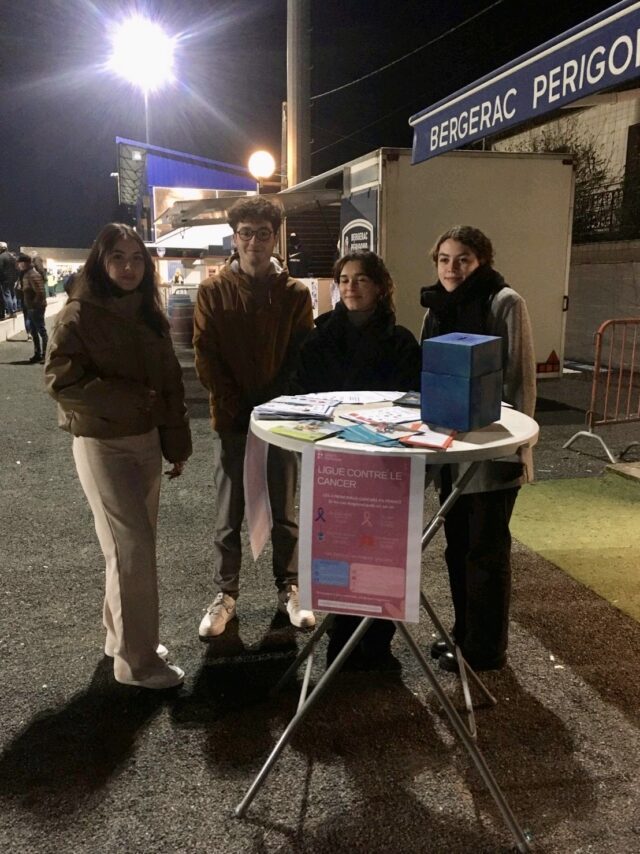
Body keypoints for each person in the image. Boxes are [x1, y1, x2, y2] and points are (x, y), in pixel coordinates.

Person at [44, 223, 192, 690]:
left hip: (146, 442)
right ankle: (137, 662)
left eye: (135, 258)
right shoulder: (79, 314)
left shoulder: (149, 312)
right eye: (117, 258)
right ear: (100, 262)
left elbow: (169, 380)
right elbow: (60, 381)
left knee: (126, 550)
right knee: (133, 549)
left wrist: (176, 443)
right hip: (101, 444)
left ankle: (121, 640)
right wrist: (126, 400)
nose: (128, 267)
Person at [291, 250, 421, 668]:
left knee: (383, 553)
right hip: (335, 465)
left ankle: (377, 642)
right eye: (344, 279)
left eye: (360, 279)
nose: (350, 286)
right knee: (340, 551)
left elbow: (412, 401)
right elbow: (303, 395)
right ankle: (341, 641)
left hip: (385, 465)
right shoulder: (320, 335)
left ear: (380, 287)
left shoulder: (400, 340)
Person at [193, 196, 315, 639]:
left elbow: (301, 354)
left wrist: (273, 407)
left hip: (281, 421)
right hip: (230, 421)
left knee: (284, 510)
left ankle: (290, 588)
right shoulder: (213, 291)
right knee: (229, 516)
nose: (254, 242)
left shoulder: (295, 294)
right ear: (234, 236)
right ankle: (225, 595)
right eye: (246, 233)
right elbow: (205, 355)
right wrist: (237, 408)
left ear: (275, 237)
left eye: (264, 233)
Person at [420, 226, 536, 672]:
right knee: (457, 547)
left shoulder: (504, 301)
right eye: (445, 259)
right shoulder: (436, 307)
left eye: (463, 259)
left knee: (485, 552)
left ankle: (486, 650)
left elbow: (521, 379)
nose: (452, 268)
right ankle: (463, 635)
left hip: (491, 454)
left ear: (482, 261)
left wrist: (514, 449)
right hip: (451, 451)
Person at [15, 253, 47, 362]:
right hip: (31, 307)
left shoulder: (33, 275)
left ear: (25, 263)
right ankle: (37, 354)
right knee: (34, 331)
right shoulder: (26, 274)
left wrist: (34, 305)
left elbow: (40, 293)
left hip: (35, 307)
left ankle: (45, 354)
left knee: (41, 330)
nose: (18, 265)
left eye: (19, 263)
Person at [0, 242, 18, 319]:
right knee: (13, 295)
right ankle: (14, 310)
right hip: (12, 279)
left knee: (7, 295)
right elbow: (16, 269)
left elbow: (0, 269)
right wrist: (15, 279)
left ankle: (11, 312)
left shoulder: (1, 257)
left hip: (5, 279)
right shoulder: (11, 256)